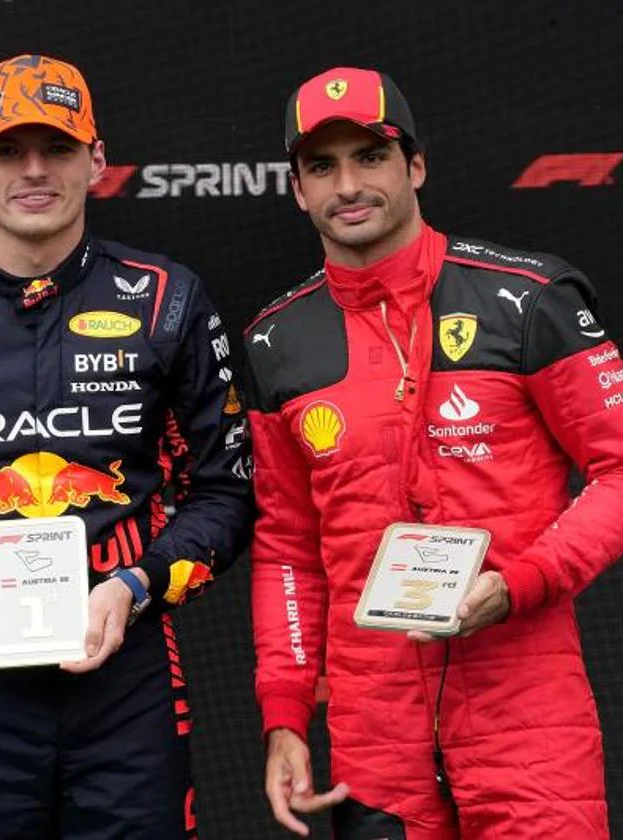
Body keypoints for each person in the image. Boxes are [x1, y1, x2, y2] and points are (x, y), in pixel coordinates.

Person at [0, 53, 252, 838]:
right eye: (7, 151)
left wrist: (137, 583)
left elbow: (227, 491)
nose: (34, 170)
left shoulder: (168, 299)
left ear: (96, 160)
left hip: (125, 664)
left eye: (57, 148)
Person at [245, 66, 623, 839]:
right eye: (322, 166)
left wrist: (520, 583)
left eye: (371, 156)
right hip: (372, 733)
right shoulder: (277, 343)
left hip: (525, 711)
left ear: (415, 166)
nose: (348, 185)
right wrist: (284, 712)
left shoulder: (528, 301)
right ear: (296, 189)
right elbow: (286, 547)